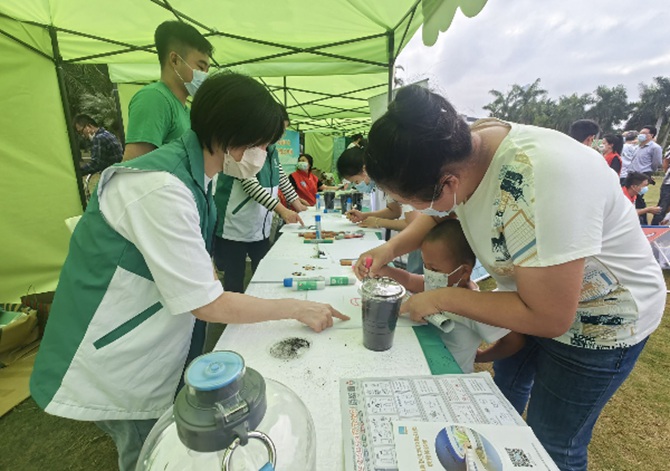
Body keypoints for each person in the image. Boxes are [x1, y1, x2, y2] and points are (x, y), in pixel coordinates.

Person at [30, 73, 348, 471]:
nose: (263, 156)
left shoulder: (198, 173)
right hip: (116, 350)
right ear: (234, 141)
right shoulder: (162, 186)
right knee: (152, 454)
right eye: (262, 145)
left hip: (144, 333)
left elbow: (197, 269)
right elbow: (207, 303)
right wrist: (296, 308)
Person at [353, 85, 665, 471]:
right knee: (506, 397)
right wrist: (389, 250)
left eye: (416, 202)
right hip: (527, 298)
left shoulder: (541, 180)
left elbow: (550, 316)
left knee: (553, 442)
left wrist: (440, 298)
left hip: (600, 323)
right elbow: (438, 212)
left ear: (447, 182)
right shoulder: (466, 147)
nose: (419, 212)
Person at [377, 219, 525, 373]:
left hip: (452, 375)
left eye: (434, 268)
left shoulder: (475, 307)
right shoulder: (439, 282)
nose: (428, 273)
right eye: (425, 265)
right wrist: (385, 271)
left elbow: (514, 341)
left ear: (464, 272)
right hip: (426, 362)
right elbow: (409, 280)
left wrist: (481, 357)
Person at [213, 107, 307, 293]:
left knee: (264, 271)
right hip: (235, 225)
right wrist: (283, 210)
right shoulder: (243, 147)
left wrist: (296, 202)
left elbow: (280, 177)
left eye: (283, 131)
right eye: (278, 130)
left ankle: (262, 307)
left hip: (259, 225)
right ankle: (234, 316)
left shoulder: (271, 150)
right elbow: (251, 186)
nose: (280, 136)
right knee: (235, 278)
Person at [123, 21, 212, 161]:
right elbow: (134, 168)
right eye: (201, 68)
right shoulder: (154, 98)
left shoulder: (186, 110)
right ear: (175, 60)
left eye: (207, 70)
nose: (205, 75)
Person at [627, 125, 663, 224]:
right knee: (632, 197)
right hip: (632, 174)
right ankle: (636, 218)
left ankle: (642, 221)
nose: (641, 135)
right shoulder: (639, 147)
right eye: (640, 133)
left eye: (644, 133)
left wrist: (648, 174)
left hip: (643, 174)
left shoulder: (655, 148)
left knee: (638, 198)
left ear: (651, 135)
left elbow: (656, 163)